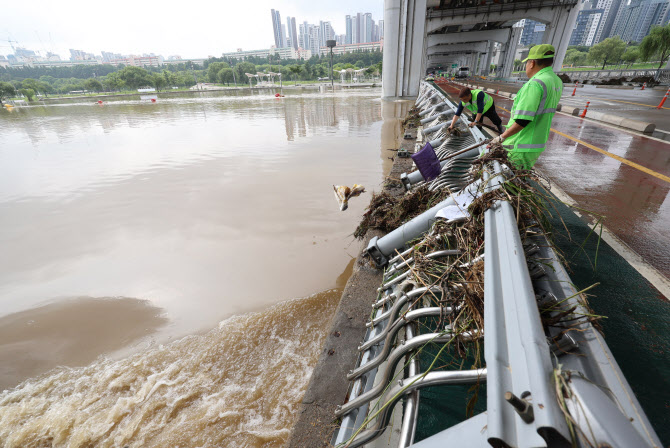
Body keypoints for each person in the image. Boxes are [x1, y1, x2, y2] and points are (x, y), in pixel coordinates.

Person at [488, 44, 563, 170]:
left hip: (520, 144)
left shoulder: (535, 84)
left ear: (532, 63)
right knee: (516, 180)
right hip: (536, 144)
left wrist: (501, 137)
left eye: (527, 63)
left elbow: (523, 120)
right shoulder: (556, 81)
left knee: (501, 181)